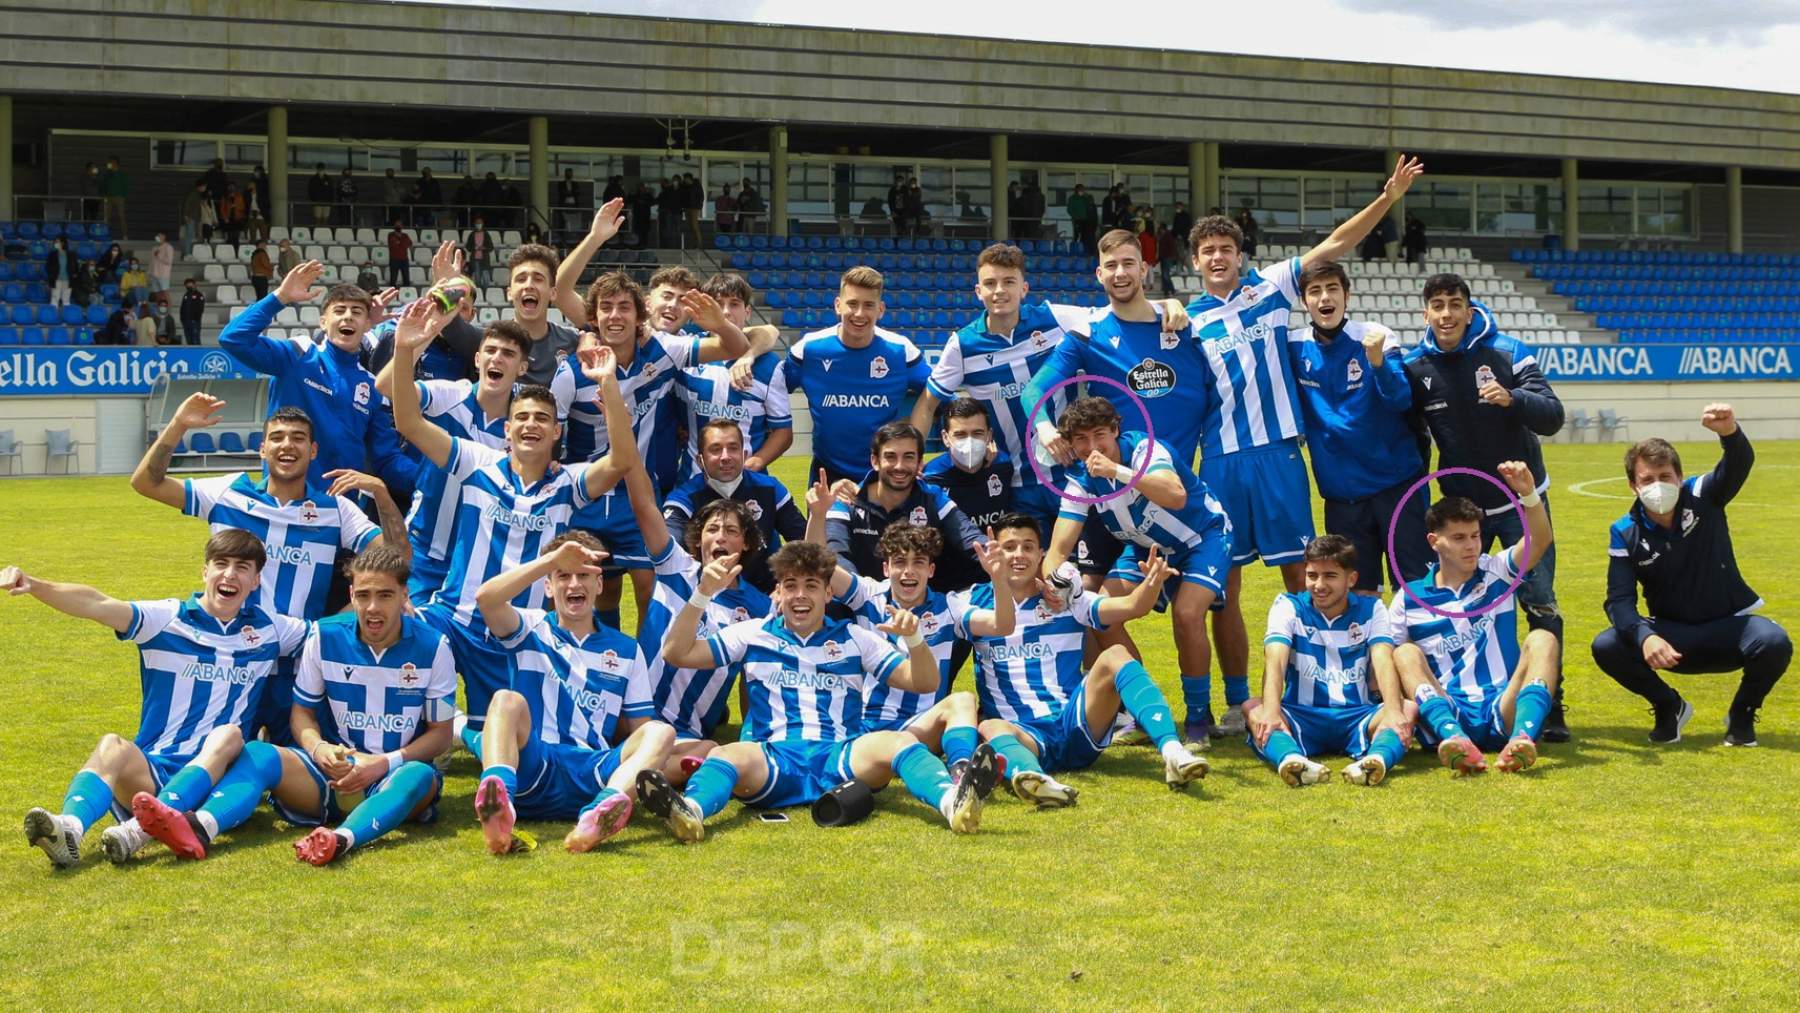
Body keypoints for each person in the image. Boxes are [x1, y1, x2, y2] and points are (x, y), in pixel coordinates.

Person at [1173, 154, 1424, 741]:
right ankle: (1237, 702)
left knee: (1305, 579)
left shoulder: (1271, 289)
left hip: (1281, 458)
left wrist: (1389, 198)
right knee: (1222, 590)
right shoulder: (1182, 319)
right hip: (1224, 462)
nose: (1217, 258)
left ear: (1241, 257)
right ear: (1194, 261)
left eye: (1225, 249)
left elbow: (1336, 242)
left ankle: (1316, 690)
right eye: (1206, 251)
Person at [639, 542, 1000, 841]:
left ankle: (953, 801)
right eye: (790, 585)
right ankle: (692, 811)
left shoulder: (856, 639)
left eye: (811, 585)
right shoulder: (751, 633)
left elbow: (924, 683)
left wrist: (915, 639)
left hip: (841, 759)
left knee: (898, 742)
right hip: (773, 759)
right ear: (777, 591)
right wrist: (702, 594)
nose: (800, 595)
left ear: (828, 592)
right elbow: (677, 653)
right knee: (727, 754)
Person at [387, 300, 635, 728]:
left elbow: (621, 461)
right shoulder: (475, 462)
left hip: (518, 630)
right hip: (457, 617)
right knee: (405, 635)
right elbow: (409, 422)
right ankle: (435, 732)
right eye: (521, 418)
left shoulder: (566, 484)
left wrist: (607, 384)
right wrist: (405, 350)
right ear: (507, 429)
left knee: (498, 732)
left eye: (542, 418)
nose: (530, 425)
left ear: (557, 432)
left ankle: (464, 730)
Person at [128, 545, 455, 865]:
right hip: (330, 776)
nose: (372, 607)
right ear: (352, 594)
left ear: (404, 595)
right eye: (363, 595)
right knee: (258, 753)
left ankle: (340, 840)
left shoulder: (433, 646)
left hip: (394, 775)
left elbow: (441, 734)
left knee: (418, 775)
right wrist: (319, 749)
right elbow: (303, 714)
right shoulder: (325, 636)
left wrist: (383, 763)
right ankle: (199, 828)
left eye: (384, 595)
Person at [6, 529, 308, 868]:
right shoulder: (168, 619)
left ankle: (140, 830)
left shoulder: (271, 629)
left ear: (256, 580)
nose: (229, 574)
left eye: (242, 567)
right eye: (220, 564)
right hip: (152, 773)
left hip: (217, 781)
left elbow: (332, 633)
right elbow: (97, 604)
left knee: (230, 735)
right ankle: (70, 832)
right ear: (204, 572)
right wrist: (34, 585)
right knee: (112, 745)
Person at [130, 394, 406, 747]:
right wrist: (179, 424)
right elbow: (146, 483)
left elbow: (396, 561)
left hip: (296, 664)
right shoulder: (228, 493)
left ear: (314, 451)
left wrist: (381, 494)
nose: (287, 445)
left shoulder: (336, 510)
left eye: (297, 438)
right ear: (262, 449)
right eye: (277, 437)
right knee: (213, 759)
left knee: (295, 776)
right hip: (230, 663)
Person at [1401, 272, 1568, 741]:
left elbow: (1552, 416)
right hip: (1462, 510)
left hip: (1520, 499)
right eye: (1438, 305)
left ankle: (1551, 704)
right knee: (1466, 602)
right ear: (1426, 314)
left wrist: (1512, 398)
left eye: (1455, 304)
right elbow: (1412, 432)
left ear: (1470, 310)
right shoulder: (1416, 366)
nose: (1447, 314)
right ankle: (1468, 693)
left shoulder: (1508, 353)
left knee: (1538, 600)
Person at [964, 514, 1209, 805]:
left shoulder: (1066, 600)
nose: (1019, 555)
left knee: (1115, 655)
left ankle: (1173, 752)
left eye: (1028, 547)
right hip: (1022, 735)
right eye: (1009, 547)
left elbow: (1132, 606)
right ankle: (1038, 780)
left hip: (1075, 723)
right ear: (993, 551)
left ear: (1042, 554)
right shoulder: (969, 603)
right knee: (990, 726)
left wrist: (1152, 582)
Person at [557, 268, 755, 629]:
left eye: (623, 307)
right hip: (587, 498)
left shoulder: (664, 350)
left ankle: (646, 673)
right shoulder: (571, 372)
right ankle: (604, 660)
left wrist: (720, 325)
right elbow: (552, 435)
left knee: (651, 587)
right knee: (597, 589)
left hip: (639, 497)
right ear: (594, 317)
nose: (614, 316)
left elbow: (737, 347)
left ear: (639, 315)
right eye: (606, 308)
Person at [468, 533, 681, 855]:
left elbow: (640, 730)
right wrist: (550, 560)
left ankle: (599, 814)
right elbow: (487, 598)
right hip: (535, 765)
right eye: (563, 576)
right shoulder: (529, 627)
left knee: (661, 730)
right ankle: (499, 803)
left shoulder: (626, 649)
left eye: (584, 575)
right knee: (505, 699)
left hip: (593, 770)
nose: (573, 584)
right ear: (548, 587)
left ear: (599, 585)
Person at [1593, 405, 1789, 746]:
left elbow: (1738, 465)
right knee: (1606, 644)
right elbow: (1619, 601)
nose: (1658, 486)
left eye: (1665, 477)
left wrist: (1729, 433)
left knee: (1774, 641)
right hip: (1671, 639)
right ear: (1632, 486)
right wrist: (1645, 637)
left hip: (1728, 629)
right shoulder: (1624, 531)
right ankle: (1668, 706)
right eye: (1647, 479)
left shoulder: (1703, 495)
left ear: (1679, 478)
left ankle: (1742, 715)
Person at [1044, 396, 1234, 737]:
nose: (1092, 447)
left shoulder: (1145, 449)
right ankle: (1145, 707)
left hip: (1202, 538)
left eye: (1100, 434)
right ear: (1071, 445)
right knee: (1099, 613)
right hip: (1148, 546)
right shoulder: (1080, 479)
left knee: (1188, 614)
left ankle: (1197, 718)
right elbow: (1059, 547)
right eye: (1081, 440)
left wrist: (1116, 470)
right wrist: (1051, 587)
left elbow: (1175, 495)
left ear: (1116, 430)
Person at [907, 244, 1101, 532]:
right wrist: (914, 453)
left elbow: (1119, 317)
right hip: (1015, 484)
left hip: (1076, 474)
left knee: (1085, 570)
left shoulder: (1056, 319)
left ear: (1024, 288)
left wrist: (1166, 306)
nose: (999, 290)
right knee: (1031, 570)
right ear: (978, 291)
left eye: (1008, 282)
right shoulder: (963, 345)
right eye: (990, 283)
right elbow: (927, 403)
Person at [1389, 462, 1558, 775]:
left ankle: (1522, 738)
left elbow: (1539, 540)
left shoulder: (1496, 571)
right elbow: (1389, 666)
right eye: (1458, 538)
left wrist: (1529, 494)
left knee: (1543, 638)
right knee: (1402, 652)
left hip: (1502, 705)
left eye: (1475, 536)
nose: (1470, 546)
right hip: (1446, 708)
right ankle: (1454, 738)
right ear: (1434, 541)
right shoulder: (1408, 599)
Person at [620, 455, 770, 770]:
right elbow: (645, 506)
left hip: (686, 731)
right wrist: (625, 450)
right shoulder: (676, 568)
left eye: (731, 531)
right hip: (633, 713)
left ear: (745, 543)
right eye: (712, 529)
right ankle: (642, 773)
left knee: (709, 750)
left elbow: (752, 680)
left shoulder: (759, 607)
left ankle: (632, 776)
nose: (721, 537)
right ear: (698, 540)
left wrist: (751, 740)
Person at [831, 522, 1012, 781]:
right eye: (899, 561)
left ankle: (962, 772)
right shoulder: (867, 595)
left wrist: (998, 578)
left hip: (922, 728)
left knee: (963, 700)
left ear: (931, 570)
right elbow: (821, 567)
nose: (908, 571)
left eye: (918, 562)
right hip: (871, 732)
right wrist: (818, 515)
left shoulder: (948, 607)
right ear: (886, 568)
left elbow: (1003, 624)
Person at [1288, 261, 1429, 592]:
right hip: (1342, 497)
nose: (1325, 297)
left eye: (1332, 288)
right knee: (1356, 596)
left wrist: (1377, 362)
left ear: (1346, 295)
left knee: (1415, 590)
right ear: (1304, 302)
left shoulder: (1375, 336)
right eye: (1315, 291)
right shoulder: (1293, 346)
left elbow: (1400, 400)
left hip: (1396, 486)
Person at [372, 319, 534, 604]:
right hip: (424, 550)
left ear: (522, 368)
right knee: (411, 632)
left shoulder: (525, 420)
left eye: (508, 354)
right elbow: (385, 385)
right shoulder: (450, 393)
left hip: (481, 557)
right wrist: (413, 342)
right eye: (491, 350)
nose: (497, 358)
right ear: (477, 358)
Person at [217, 260, 414, 490]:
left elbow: (386, 459)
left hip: (338, 512)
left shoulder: (373, 388)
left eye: (357, 312)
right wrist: (280, 297)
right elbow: (233, 339)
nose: (348, 317)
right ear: (323, 322)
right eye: (339, 310)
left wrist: (434, 480)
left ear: (368, 324)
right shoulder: (299, 355)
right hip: (282, 505)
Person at [1246, 535, 1413, 787]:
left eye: (1330, 576)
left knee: (1406, 708)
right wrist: (1270, 711)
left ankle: (1375, 761)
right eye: (1312, 575)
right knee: (1255, 708)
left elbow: (1383, 659)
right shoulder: (1288, 606)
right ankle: (1292, 761)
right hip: (1302, 714)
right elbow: (1275, 660)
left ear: (1351, 579)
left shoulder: (1372, 609)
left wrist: (1392, 708)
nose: (1319, 585)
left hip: (1357, 714)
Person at [783, 266, 929, 485]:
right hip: (828, 473)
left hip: (884, 475)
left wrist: (915, 447)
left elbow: (938, 395)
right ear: (837, 305)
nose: (859, 313)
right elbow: (768, 392)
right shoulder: (809, 349)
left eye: (868, 305)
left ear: (880, 309)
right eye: (852, 303)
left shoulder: (900, 351)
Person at [825, 421, 987, 593]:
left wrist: (1001, 556)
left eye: (908, 457)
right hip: (860, 606)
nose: (899, 466)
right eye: (890, 456)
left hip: (922, 608)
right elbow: (835, 555)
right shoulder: (846, 499)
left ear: (919, 463)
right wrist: (868, 598)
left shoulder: (933, 497)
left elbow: (970, 538)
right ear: (875, 461)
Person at [663, 418, 806, 594]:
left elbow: (803, 543)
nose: (725, 457)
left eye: (733, 448)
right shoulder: (684, 499)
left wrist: (787, 586)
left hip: (765, 596)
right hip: (707, 597)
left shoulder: (770, 489)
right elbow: (670, 552)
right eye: (716, 450)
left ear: (744, 454)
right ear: (700, 460)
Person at [671, 272, 792, 477]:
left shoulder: (769, 366)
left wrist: (755, 463)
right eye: (717, 303)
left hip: (747, 485)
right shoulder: (684, 351)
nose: (725, 312)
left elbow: (783, 432)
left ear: (747, 312)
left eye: (734, 304)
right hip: (692, 482)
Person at [429, 241, 576, 386]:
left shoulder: (572, 341)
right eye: (521, 279)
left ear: (553, 293)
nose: (529, 285)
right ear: (509, 293)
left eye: (538, 279)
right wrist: (445, 289)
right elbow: (449, 324)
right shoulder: (486, 341)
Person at [921, 399, 1015, 578]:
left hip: (995, 573)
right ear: (945, 438)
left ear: (989, 436)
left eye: (977, 433)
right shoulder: (932, 476)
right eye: (961, 434)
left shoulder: (1002, 465)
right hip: (947, 580)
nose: (970, 442)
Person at [101, 155, 129, 238]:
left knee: (121, 217)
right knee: (107, 217)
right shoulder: (107, 173)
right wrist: (104, 195)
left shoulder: (121, 173)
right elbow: (104, 184)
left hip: (119, 197)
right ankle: (105, 234)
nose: (109, 163)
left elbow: (125, 185)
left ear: (115, 163)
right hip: (108, 197)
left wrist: (124, 196)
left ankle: (125, 235)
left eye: (111, 162)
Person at [1066, 183, 1097, 254]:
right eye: (1080, 189)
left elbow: (1091, 204)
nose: (1081, 191)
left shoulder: (1085, 198)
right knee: (1076, 235)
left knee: (1086, 236)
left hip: (1086, 220)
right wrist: (1076, 216)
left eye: (1083, 189)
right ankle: (1075, 251)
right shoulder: (1072, 198)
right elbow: (1069, 210)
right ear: (1076, 190)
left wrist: (1087, 196)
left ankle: (1086, 250)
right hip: (1077, 220)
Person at [181, 180, 209, 256]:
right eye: (204, 186)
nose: (205, 188)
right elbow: (187, 204)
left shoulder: (198, 195)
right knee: (189, 235)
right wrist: (186, 215)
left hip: (196, 218)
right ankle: (187, 253)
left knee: (192, 235)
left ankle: (190, 252)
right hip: (191, 217)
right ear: (200, 186)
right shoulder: (193, 194)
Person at [148, 232, 174, 308]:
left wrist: (158, 256)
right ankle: (159, 311)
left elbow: (169, 261)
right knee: (157, 294)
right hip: (153, 274)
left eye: (159, 235)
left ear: (164, 236)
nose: (158, 237)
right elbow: (152, 261)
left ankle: (168, 312)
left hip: (163, 275)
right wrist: (149, 271)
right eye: (157, 235)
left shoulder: (168, 247)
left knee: (165, 293)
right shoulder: (154, 248)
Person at [465, 217, 494, 286]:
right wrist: (474, 248)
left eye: (480, 223)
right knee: (477, 278)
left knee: (486, 278)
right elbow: (468, 247)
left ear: (482, 224)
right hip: (475, 260)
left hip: (485, 260)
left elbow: (491, 247)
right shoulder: (472, 235)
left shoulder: (486, 234)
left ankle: (486, 293)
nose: (478, 225)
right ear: (475, 224)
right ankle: (479, 292)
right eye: (477, 223)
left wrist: (483, 248)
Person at [218, 183, 247, 248]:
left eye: (232, 187)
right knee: (229, 236)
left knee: (236, 237)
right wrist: (225, 218)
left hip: (237, 219)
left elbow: (242, 207)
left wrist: (236, 207)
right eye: (230, 187)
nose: (231, 189)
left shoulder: (239, 196)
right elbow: (222, 209)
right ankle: (229, 251)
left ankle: (236, 251)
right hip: (228, 219)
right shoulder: (225, 197)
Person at [45, 236, 72, 309]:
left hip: (68, 279)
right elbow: (48, 266)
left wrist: (73, 274)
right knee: (54, 299)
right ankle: (52, 316)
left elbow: (75, 266)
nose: (55, 243)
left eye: (57, 242)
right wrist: (51, 274)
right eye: (55, 242)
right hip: (56, 279)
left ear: (63, 243)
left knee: (66, 300)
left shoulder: (71, 254)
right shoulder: (52, 254)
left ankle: (67, 317)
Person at [387, 220, 413, 289]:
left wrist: (400, 242)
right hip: (394, 259)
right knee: (393, 279)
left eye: (400, 224)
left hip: (404, 259)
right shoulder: (391, 235)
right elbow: (394, 244)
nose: (398, 226)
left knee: (406, 278)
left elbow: (409, 244)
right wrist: (402, 243)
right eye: (397, 224)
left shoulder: (405, 235)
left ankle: (406, 292)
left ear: (402, 226)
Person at [179, 278, 205, 345]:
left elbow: (200, 309)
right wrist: (182, 319)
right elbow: (182, 308)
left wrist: (195, 319)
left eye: (190, 285)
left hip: (195, 321)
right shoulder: (186, 295)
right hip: (186, 321)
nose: (189, 287)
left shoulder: (199, 295)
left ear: (194, 285)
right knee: (188, 340)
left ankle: (198, 354)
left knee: (195, 339)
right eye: (187, 286)